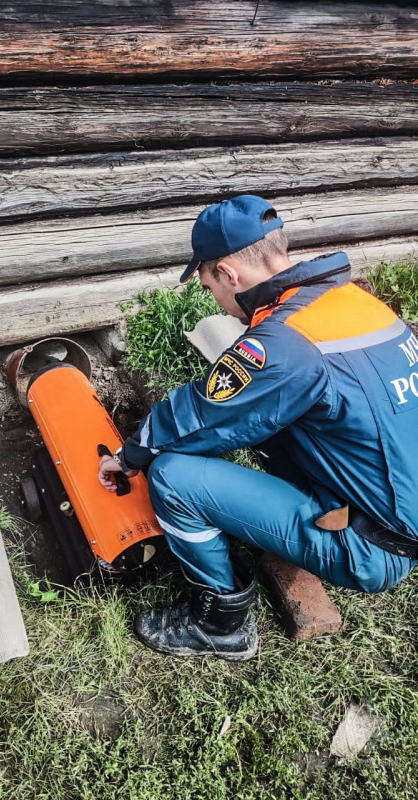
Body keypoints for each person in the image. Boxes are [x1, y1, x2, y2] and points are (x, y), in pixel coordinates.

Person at [98, 194, 418, 661]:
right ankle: (297, 515)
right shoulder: (351, 303)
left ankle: (219, 625)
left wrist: (127, 457)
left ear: (228, 273)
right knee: (266, 421)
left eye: (210, 287)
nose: (220, 303)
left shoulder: (286, 342)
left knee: (172, 477)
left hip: (373, 546)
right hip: (399, 510)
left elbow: (199, 411)